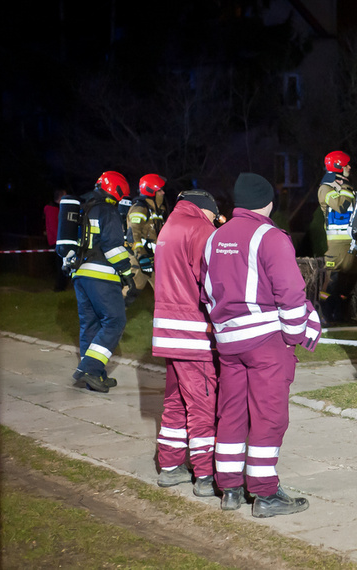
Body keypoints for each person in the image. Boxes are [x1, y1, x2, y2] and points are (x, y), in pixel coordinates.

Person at [202, 172, 320, 517]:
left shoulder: (215, 237)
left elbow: (206, 289)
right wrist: (296, 334)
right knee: (269, 415)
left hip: (229, 340)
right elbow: (292, 293)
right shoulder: (270, 237)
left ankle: (229, 488)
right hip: (266, 340)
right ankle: (265, 494)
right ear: (268, 202)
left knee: (232, 412)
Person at [152, 190, 221, 497]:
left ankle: (169, 466)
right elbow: (211, 283)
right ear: (206, 210)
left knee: (175, 401)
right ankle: (205, 474)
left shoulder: (169, 226)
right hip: (193, 334)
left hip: (168, 332)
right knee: (203, 403)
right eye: (215, 217)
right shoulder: (200, 229)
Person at [71, 171, 134, 393]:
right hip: (102, 277)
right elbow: (114, 247)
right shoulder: (108, 210)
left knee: (90, 325)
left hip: (81, 276)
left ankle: (95, 376)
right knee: (115, 321)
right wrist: (127, 273)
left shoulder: (85, 208)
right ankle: (89, 368)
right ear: (117, 190)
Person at [317, 151, 357, 323]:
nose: (349, 167)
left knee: (348, 283)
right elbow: (341, 206)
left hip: (351, 243)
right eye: (346, 164)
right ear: (338, 166)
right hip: (335, 246)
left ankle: (341, 315)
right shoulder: (325, 188)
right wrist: (347, 187)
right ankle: (323, 313)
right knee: (331, 282)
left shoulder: (343, 187)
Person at [124, 173, 168, 306]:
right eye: (159, 190)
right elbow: (134, 235)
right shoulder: (140, 208)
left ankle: (165, 323)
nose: (163, 192)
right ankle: (111, 319)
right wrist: (141, 256)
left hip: (154, 258)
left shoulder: (158, 210)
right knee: (132, 290)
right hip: (140, 259)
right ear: (151, 191)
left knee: (165, 293)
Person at [44, 189, 69, 291]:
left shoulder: (56, 209)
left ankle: (62, 286)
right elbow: (54, 227)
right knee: (61, 266)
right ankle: (59, 287)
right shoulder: (52, 209)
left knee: (62, 265)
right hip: (57, 241)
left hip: (58, 241)